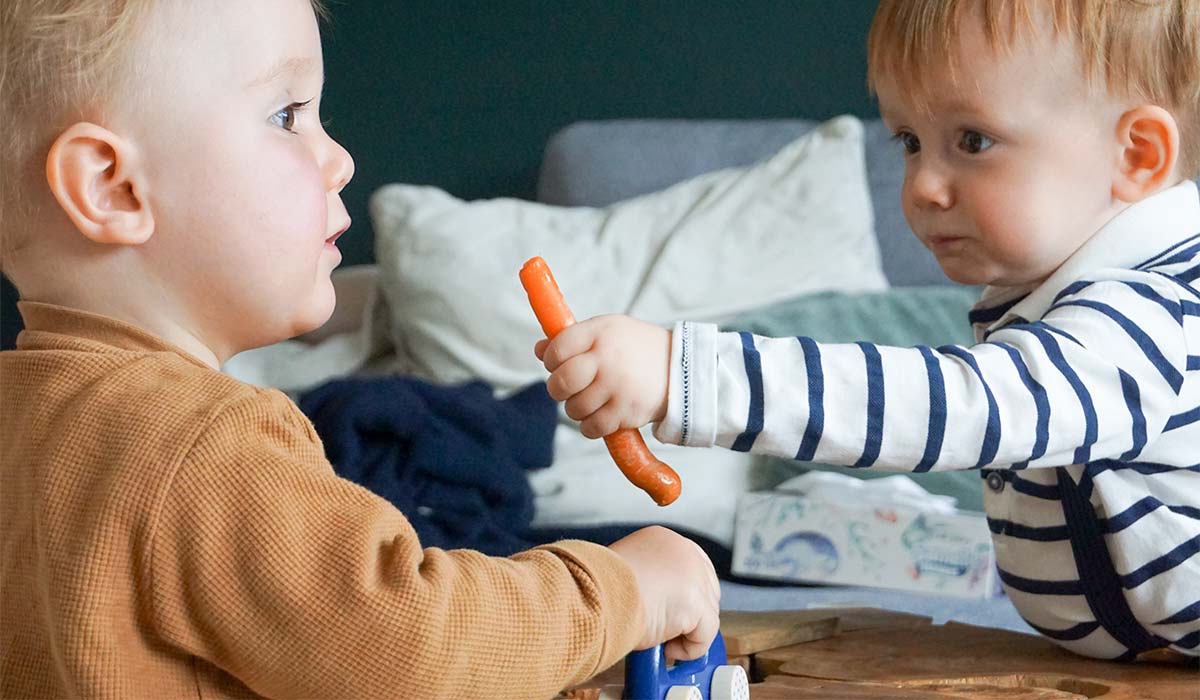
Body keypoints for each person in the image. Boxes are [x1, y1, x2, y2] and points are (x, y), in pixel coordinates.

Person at [0, 1, 720, 697]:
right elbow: (415, 650)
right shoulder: (208, 442)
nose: (338, 159)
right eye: (288, 116)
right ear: (113, 187)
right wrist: (626, 590)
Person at [536, 0, 1200, 661]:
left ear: (1136, 155)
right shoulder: (1061, 297)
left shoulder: (1148, 314)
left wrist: (688, 375)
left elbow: (969, 406)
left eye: (973, 141)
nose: (922, 187)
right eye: (910, 142)